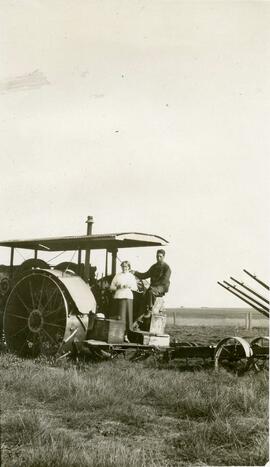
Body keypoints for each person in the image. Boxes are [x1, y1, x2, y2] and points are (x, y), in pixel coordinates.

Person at [110, 261, 138, 340]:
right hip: (119, 297)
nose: (124, 268)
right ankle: (118, 335)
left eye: (126, 266)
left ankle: (126, 335)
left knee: (128, 317)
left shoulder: (131, 276)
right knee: (120, 317)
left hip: (128, 297)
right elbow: (111, 287)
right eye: (122, 266)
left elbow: (135, 288)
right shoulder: (117, 276)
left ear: (129, 267)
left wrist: (129, 286)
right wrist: (117, 287)